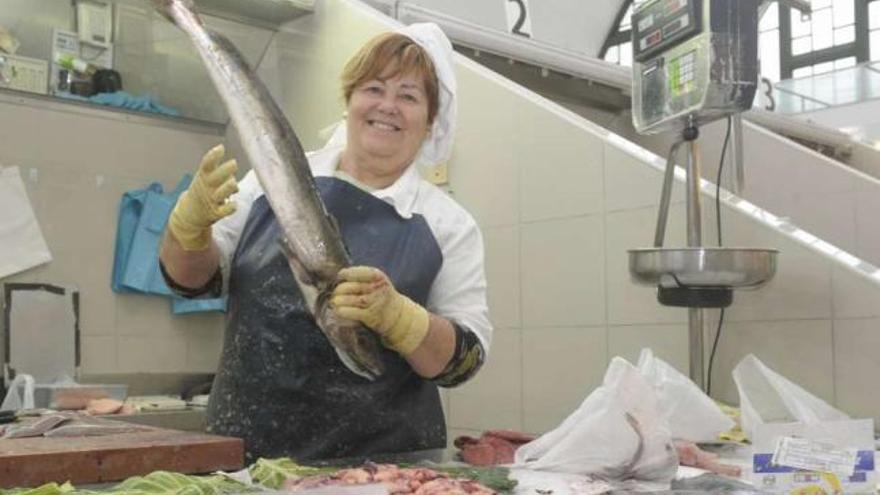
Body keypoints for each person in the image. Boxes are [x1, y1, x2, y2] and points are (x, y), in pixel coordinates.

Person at [158, 23, 492, 462]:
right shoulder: (268, 182)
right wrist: (187, 231)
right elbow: (190, 281)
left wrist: (403, 321)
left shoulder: (449, 224)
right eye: (374, 88)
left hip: (385, 467)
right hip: (246, 461)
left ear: (431, 122)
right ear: (350, 100)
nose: (387, 106)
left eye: (409, 96)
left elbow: (464, 361)